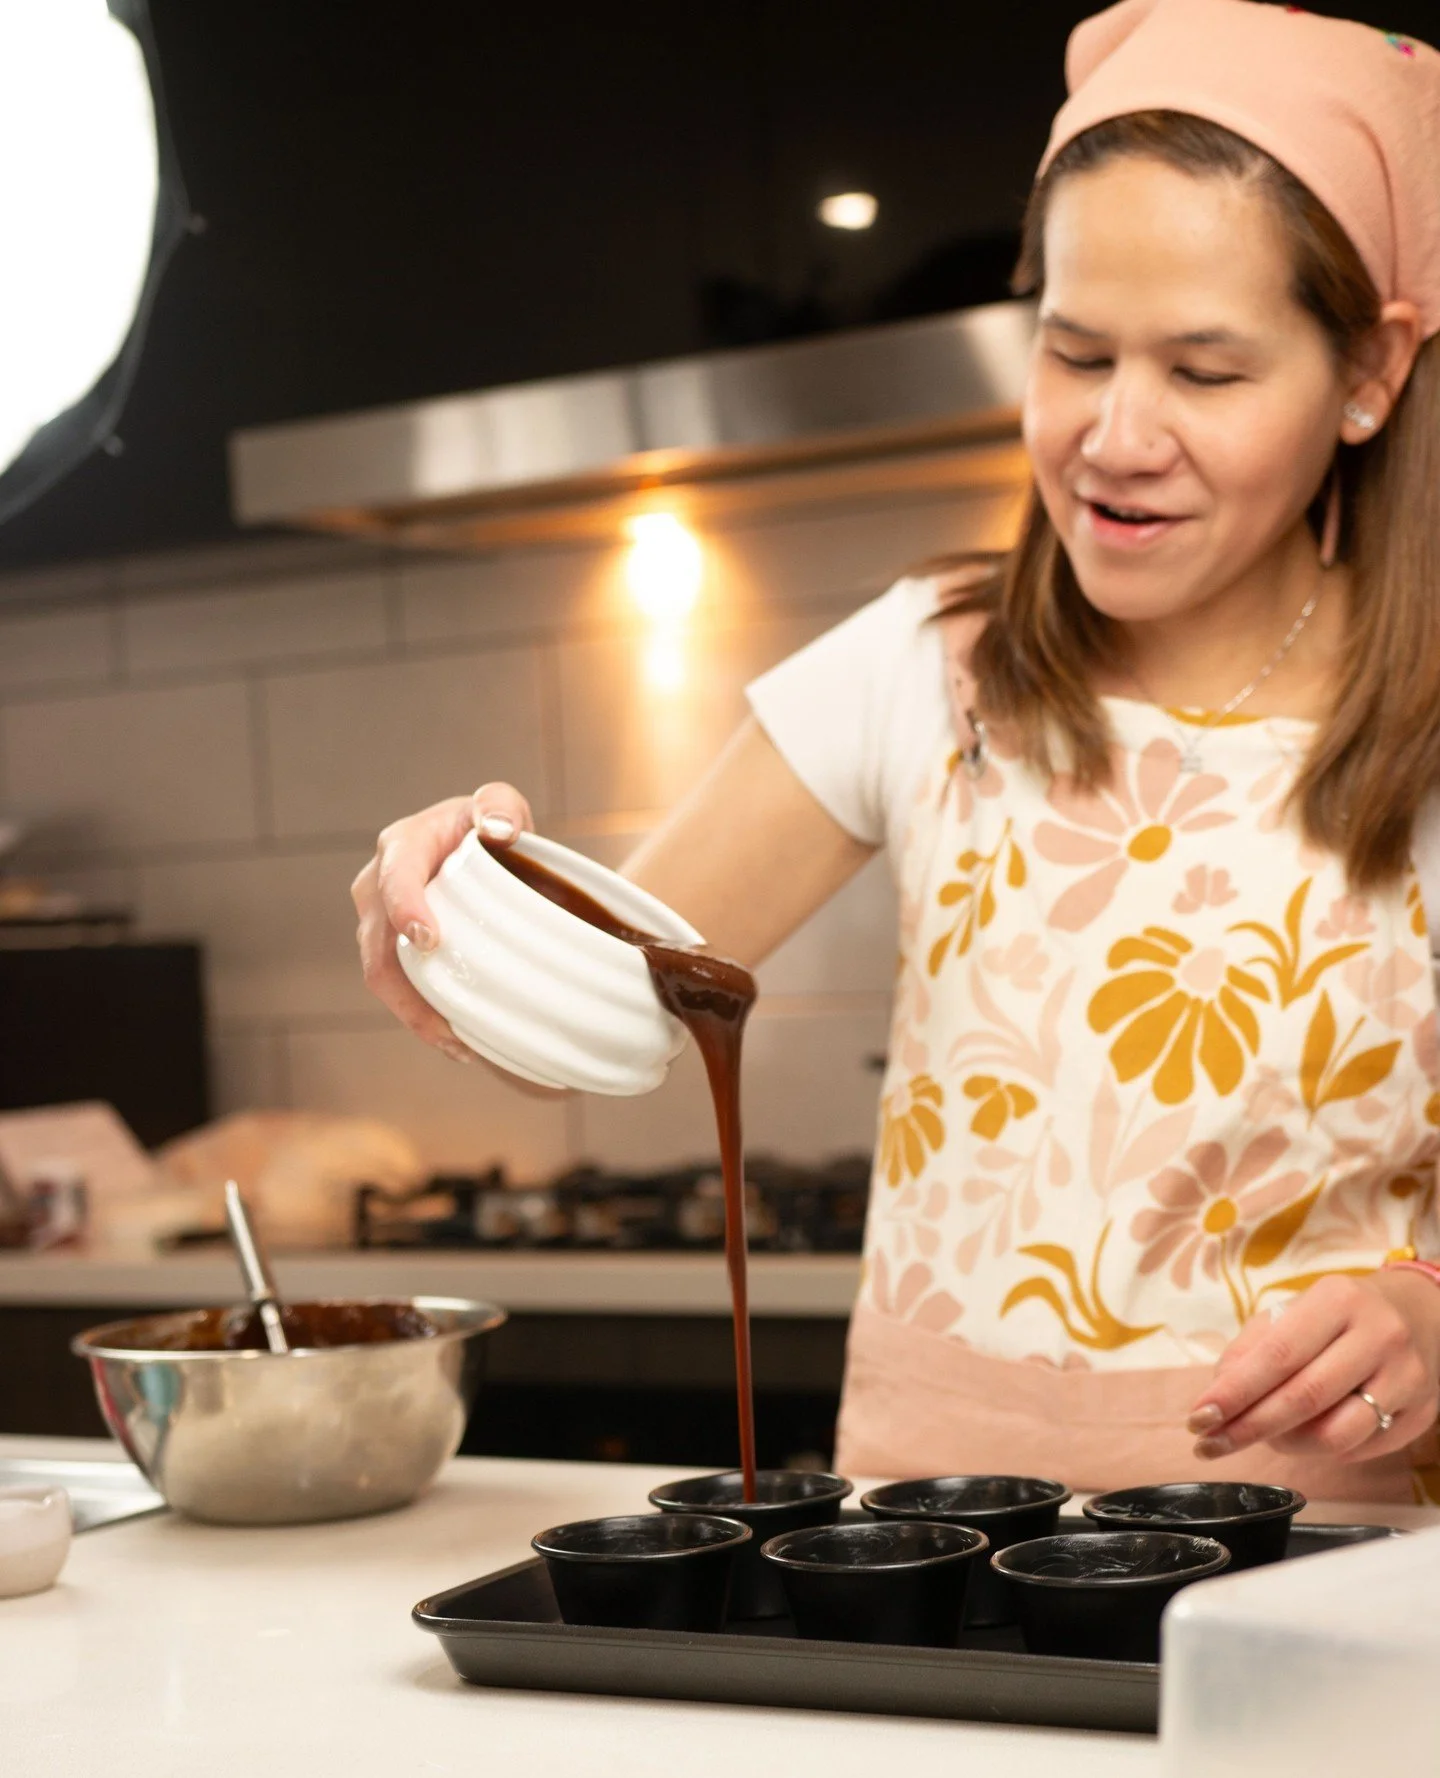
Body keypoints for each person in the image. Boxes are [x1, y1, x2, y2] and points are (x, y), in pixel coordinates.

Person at [353, 0, 1440, 1500]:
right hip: (921, 1582)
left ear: (1372, 372)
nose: (1116, 435)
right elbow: (602, 1009)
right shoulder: (924, 665)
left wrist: (1425, 1320)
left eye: (1205, 371)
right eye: (1073, 351)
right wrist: (454, 926)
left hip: (1308, 1608)